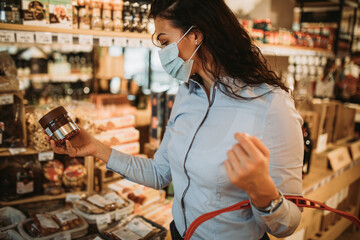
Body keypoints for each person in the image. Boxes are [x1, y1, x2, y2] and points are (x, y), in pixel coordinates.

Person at [48, 0, 304, 239]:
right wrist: (96, 148)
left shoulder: (272, 105)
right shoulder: (187, 93)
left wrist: (264, 194)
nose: (163, 53)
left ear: (195, 35)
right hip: (179, 233)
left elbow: (288, 224)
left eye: (165, 42)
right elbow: (161, 173)